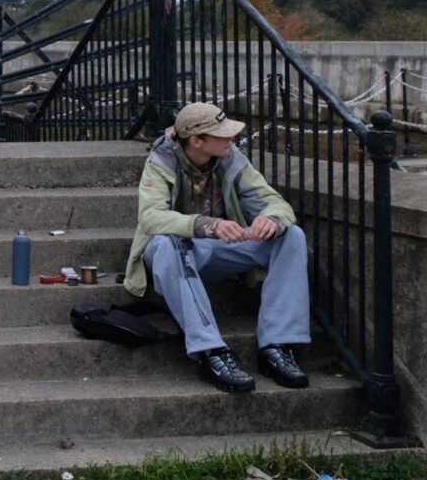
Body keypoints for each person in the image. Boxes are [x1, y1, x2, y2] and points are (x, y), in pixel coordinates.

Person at [123, 101, 311, 393]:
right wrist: (207, 225)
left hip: (220, 249)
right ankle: (211, 352)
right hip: (173, 253)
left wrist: (272, 219)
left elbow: (274, 201)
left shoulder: (230, 157)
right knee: (167, 243)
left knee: (291, 236)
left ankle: (277, 346)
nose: (231, 139)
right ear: (197, 141)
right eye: (222, 134)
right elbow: (150, 218)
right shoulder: (161, 160)